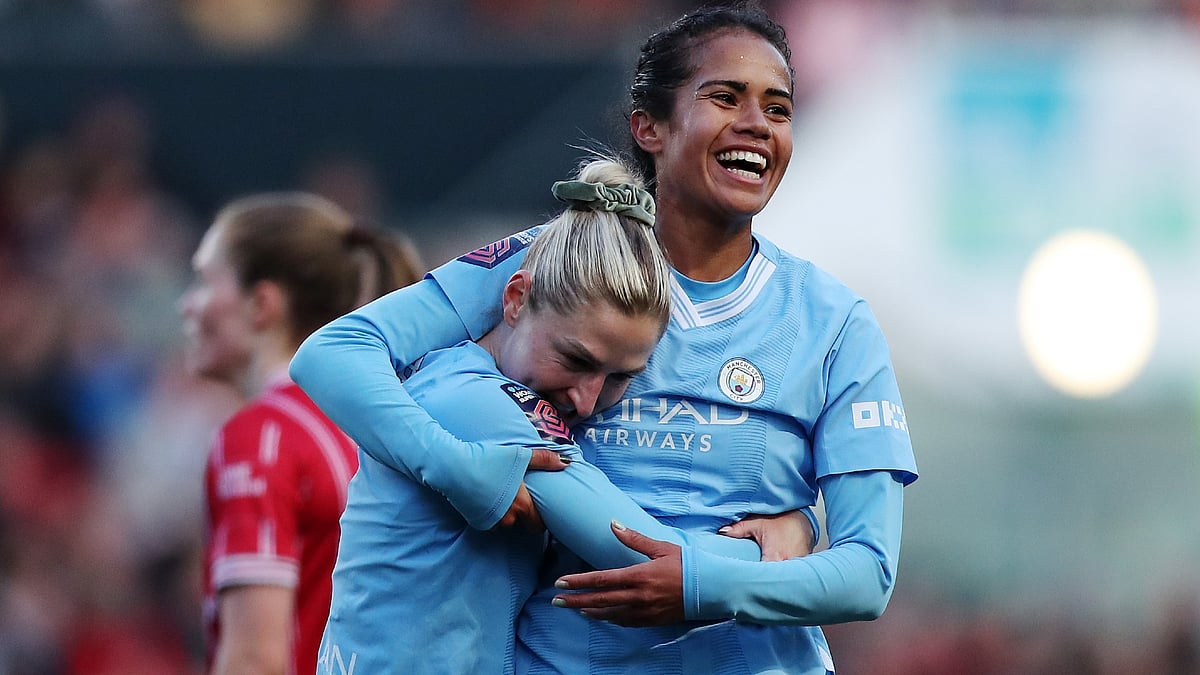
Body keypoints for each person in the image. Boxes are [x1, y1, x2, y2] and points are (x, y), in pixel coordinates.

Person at [291, 2, 918, 673]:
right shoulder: (553, 264)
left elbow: (868, 573)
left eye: (778, 107)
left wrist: (786, 541)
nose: (756, 124)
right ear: (647, 126)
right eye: (725, 97)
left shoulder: (834, 322)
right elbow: (336, 353)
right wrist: (447, 461)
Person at [316, 155, 808, 675]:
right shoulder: (489, 407)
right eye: (576, 360)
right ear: (515, 299)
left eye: (620, 377)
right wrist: (787, 546)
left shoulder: (453, 375)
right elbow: (643, 557)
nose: (587, 399)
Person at [178, 192, 423, 675]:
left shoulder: (260, 439)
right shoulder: (379, 421)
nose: (188, 305)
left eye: (205, 281)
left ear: (261, 303)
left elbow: (255, 659)